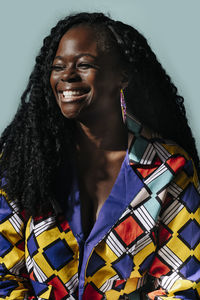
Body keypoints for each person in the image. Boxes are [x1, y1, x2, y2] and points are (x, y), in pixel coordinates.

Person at [0, 12, 199, 300]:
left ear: (123, 76)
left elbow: (186, 284)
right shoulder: (25, 161)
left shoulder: (168, 169)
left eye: (84, 65)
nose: (67, 76)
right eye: (57, 67)